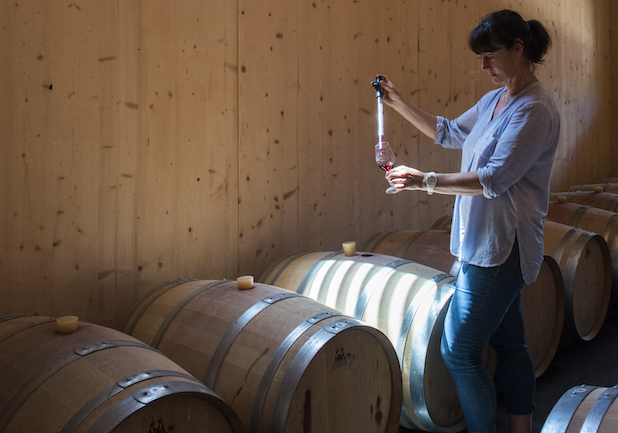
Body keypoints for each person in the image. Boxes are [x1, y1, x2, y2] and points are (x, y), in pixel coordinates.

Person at [378, 9, 560, 433]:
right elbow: (448, 132)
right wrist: (396, 100)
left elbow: (493, 178)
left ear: (518, 49)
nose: (483, 66)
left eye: (490, 56)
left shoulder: (535, 110)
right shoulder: (496, 100)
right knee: (510, 343)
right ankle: (521, 427)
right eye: (480, 57)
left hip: (503, 244)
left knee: (458, 351)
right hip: (481, 238)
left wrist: (425, 180)